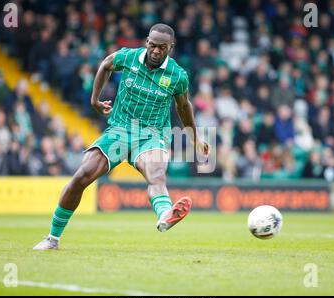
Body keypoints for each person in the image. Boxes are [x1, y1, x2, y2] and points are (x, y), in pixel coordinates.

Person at [34, 24, 210, 250]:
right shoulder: (129, 56)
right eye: (153, 45)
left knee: (156, 173)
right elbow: (106, 64)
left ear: (171, 48)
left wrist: (195, 138)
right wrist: (94, 100)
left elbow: (184, 107)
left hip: (152, 134)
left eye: (162, 48)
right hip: (119, 130)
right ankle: (52, 238)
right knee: (81, 176)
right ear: (147, 42)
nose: (156, 51)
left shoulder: (178, 76)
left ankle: (166, 214)